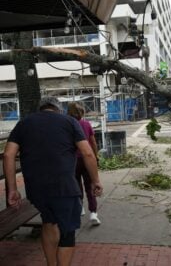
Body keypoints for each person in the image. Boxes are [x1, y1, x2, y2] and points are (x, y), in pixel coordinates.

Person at [3, 97, 103, 266]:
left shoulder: (24, 123)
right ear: (58, 109)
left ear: (40, 109)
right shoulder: (69, 122)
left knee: (49, 222)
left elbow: (8, 154)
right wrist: (95, 180)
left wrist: (12, 189)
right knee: (67, 232)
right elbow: (87, 153)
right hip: (64, 187)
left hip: (36, 188)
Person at [67, 102, 101, 225]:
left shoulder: (66, 126)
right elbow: (93, 143)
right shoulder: (86, 124)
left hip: (72, 161)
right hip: (87, 160)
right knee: (91, 185)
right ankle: (93, 213)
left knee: (76, 186)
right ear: (82, 113)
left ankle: (80, 207)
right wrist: (95, 157)